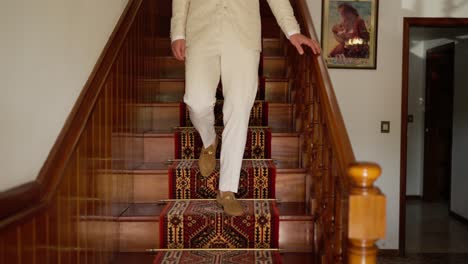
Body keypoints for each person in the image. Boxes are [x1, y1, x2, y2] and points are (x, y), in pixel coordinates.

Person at [170, 0, 320, 216]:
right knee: (196, 100)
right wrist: (178, 33)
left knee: (239, 110)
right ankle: (209, 139)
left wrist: (292, 30)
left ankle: (227, 189)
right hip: (200, 32)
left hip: (243, 35)